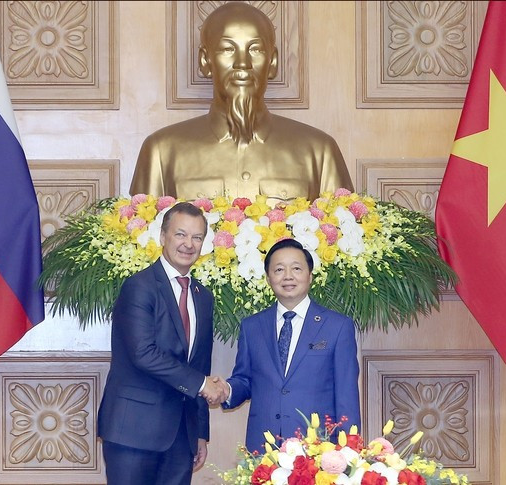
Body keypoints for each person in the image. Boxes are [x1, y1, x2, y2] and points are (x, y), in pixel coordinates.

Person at [130, 2, 353, 202]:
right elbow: (138, 240)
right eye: (228, 49)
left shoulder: (320, 152)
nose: (242, 63)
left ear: (272, 62)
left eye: (255, 49)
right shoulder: (161, 151)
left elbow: (347, 239)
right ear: (205, 61)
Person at [97, 202, 228, 485]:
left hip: (182, 436)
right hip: (133, 430)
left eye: (197, 237)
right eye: (180, 234)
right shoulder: (139, 286)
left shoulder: (202, 297)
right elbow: (144, 354)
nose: (188, 244)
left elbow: (199, 365)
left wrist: (200, 433)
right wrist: (203, 385)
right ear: (163, 237)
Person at [220, 238, 360, 453]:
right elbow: (245, 380)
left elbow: (346, 395)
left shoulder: (337, 327)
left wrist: (348, 451)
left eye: (296, 268)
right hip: (264, 448)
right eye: (278, 269)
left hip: (318, 449)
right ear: (268, 278)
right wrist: (226, 390)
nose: (288, 276)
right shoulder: (252, 327)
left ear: (310, 275)